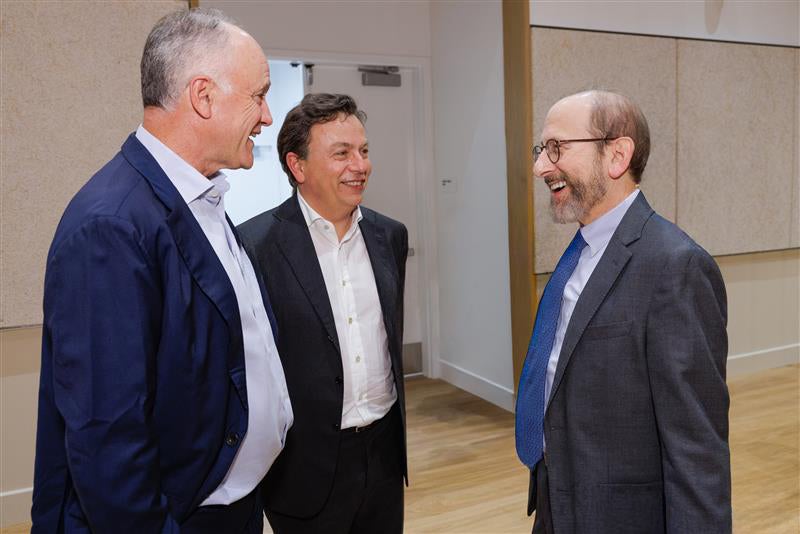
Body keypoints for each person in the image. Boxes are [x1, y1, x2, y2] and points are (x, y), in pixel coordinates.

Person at [31, 8, 292, 533]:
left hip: (225, 506)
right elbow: (108, 442)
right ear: (203, 96)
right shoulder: (110, 226)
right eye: (259, 95)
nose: (267, 117)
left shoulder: (201, 198)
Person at [515, 90, 731, 533]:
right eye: (541, 150)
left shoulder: (675, 266)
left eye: (557, 148)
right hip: (557, 501)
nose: (540, 167)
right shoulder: (582, 251)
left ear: (616, 155)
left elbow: (696, 450)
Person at [238, 93, 408, 534]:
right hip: (303, 467)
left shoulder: (390, 236)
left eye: (364, 151)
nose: (361, 165)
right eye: (341, 154)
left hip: (384, 455)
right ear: (298, 166)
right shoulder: (254, 246)